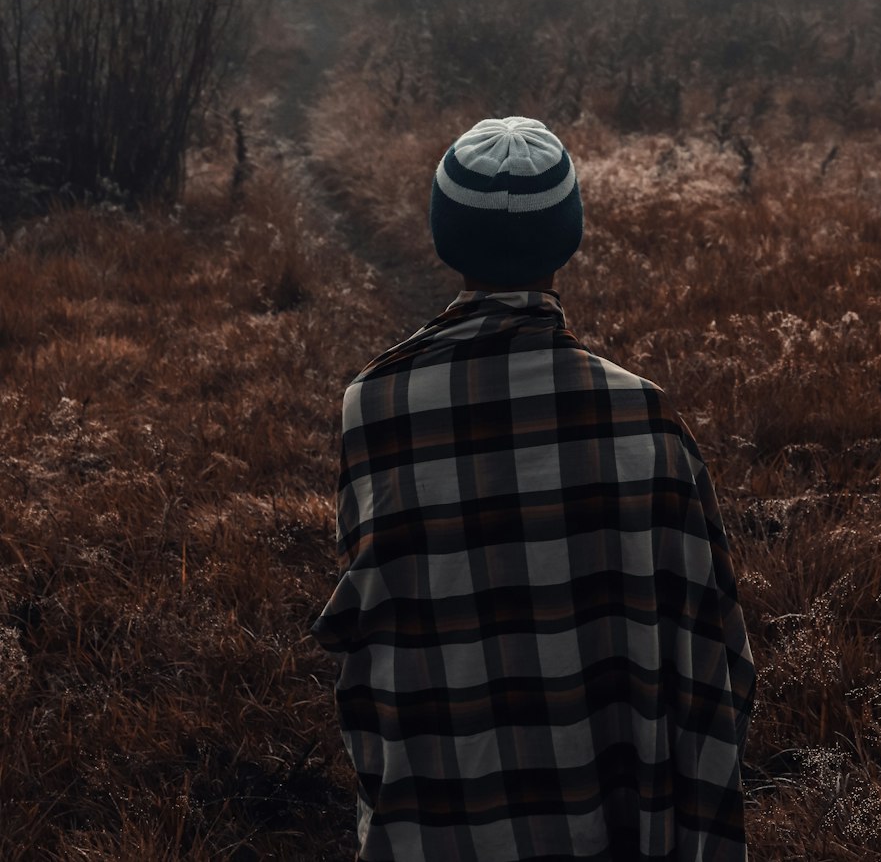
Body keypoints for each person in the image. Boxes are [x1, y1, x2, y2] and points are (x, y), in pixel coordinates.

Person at [312, 115, 755, 861]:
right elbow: (717, 656)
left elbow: (368, 626)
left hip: (441, 824)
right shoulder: (644, 417)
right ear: (567, 242)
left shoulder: (374, 407)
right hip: (612, 825)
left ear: (446, 240)